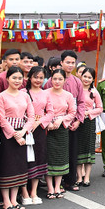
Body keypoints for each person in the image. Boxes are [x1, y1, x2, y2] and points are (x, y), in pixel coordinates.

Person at [0, 66, 35, 209]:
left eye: (19, 78)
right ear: (7, 79)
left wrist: (23, 131)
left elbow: (31, 116)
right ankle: (6, 201)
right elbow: (1, 118)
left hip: (22, 134)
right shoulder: (0, 97)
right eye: (14, 78)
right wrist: (15, 134)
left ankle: (14, 199)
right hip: (7, 136)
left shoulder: (25, 95)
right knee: (7, 167)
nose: (17, 81)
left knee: (19, 167)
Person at [22, 66, 52, 205]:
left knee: (39, 158)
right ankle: (24, 192)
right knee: (24, 160)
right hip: (24, 128)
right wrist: (29, 122)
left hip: (39, 129)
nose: (38, 80)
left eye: (41, 77)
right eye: (35, 77)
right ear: (29, 77)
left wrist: (38, 122)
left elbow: (50, 113)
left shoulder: (46, 93)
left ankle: (34, 191)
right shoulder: (22, 92)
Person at [45, 69, 77, 199]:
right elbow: (40, 110)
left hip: (62, 129)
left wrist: (61, 120)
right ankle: (50, 187)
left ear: (64, 80)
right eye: (55, 79)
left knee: (61, 158)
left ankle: (58, 186)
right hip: (48, 129)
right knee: (49, 157)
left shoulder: (68, 95)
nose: (57, 82)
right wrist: (48, 123)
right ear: (50, 79)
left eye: (60, 79)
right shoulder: (45, 93)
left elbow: (72, 112)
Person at [77, 67, 102, 187]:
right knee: (78, 150)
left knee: (88, 149)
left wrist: (88, 113)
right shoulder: (76, 90)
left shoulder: (94, 92)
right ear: (81, 76)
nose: (86, 79)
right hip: (77, 123)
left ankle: (87, 177)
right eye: (85, 76)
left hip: (89, 122)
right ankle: (79, 176)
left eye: (89, 77)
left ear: (93, 79)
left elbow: (100, 108)